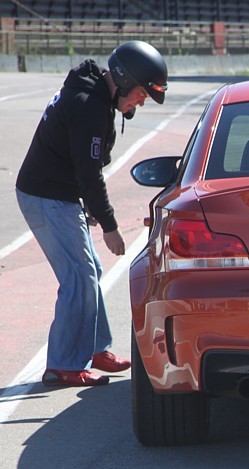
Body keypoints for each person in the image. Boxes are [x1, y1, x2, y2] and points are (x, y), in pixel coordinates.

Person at [15, 40, 168, 386]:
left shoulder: (96, 98)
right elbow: (89, 173)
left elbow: (83, 163)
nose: (141, 102)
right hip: (46, 196)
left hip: (57, 192)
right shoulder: (89, 107)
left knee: (90, 270)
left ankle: (96, 348)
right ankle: (64, 364)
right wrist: (110, 225)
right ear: (126, 81)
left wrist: (88, 206)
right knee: (78, 278)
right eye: (143, 94)